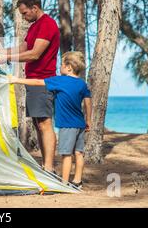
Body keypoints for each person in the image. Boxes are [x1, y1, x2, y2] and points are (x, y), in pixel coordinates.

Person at [0, 0, 60, 172]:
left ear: (35, 8)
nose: (24, 17)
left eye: (25, 13)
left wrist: (7, 59)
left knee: (45, 124)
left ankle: (49, 168)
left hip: (43, 81)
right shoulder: (34, 27)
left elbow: (34, 54)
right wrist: (1, 54)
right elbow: (23, 48)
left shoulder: (47, 24)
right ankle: (45, 165)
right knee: (38, 124)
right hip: (31, 81)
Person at [9, 51, 92, 189]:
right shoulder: (82, 84)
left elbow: (37, 81)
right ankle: (77, 181)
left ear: (69, 67)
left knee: (66, 155)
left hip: (67, 125)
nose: (60, 66)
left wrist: (16, 80)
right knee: (79, 153)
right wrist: (88, 120)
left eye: (62, 64)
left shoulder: (59, 80)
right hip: (80, 124)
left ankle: (64, 184)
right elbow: (88, 103)